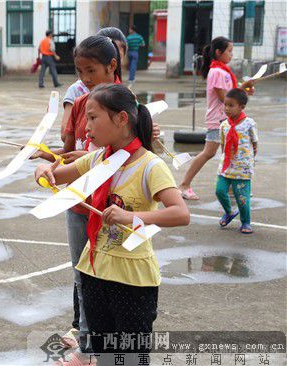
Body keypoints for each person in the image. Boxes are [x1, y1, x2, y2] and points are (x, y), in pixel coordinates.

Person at [34, 84, 190, 365]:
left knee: (131, 357)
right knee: (105, 354)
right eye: (86, 119)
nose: (86, 127)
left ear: (121, 119)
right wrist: (45, 170)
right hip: (94, 270)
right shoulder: (97, 158)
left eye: (93, 118)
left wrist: (131, 216)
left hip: (132, 280)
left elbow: (180, 213)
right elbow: (57, 176)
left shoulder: (150, 166)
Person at [179, 37, 255, 200]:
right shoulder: (217, 71)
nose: (231, 55)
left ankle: (230, 187)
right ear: (218, 52)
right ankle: (184, 185)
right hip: (218, 119)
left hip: (227, 119)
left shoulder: (223, 71)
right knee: (208, 152)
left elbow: (230, 96)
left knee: (230, 151)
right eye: (229, 51)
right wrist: (241, 89)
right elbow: (225, 98)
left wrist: (243, 90)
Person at [60, 27, 127, 142]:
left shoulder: (126, 101)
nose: (85, 79)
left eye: (91, 71)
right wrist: (42, 151)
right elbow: (68, 146)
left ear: (112, 65)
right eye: (80, 71)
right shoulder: (79, 102)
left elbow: (124, 150)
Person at [215, 88, 257, 234]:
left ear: (242, 107)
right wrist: (225, 160)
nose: (227, 108)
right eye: (225, 105)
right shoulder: (224, 125)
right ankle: (229, 212)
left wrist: (249, 161)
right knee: (219, 191)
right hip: (226, 166)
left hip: (242, 168)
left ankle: (246, 222)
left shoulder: (249, 123)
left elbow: (255, 143)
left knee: (242, 198)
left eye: (231, 105)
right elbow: (222, 144)